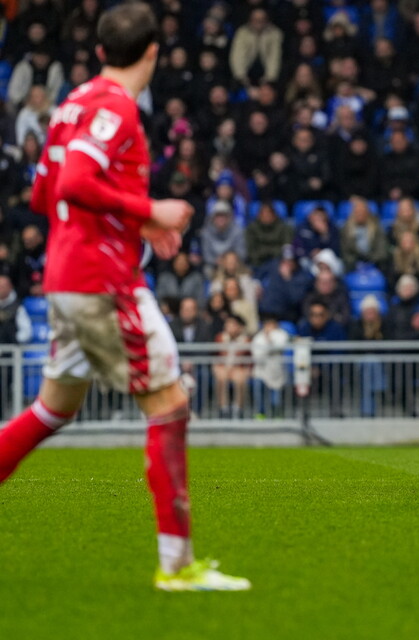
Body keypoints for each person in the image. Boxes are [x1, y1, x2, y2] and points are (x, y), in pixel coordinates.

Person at [0, 3, 249, 592]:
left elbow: (42, 194)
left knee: (53, 408)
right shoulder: (115, 107)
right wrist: (149, 210)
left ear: (100, 49)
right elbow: (74, 182)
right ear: (154, 52)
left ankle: (178, 563)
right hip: (102, 281)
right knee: (169, 400)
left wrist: (134, 226)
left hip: (64, 276)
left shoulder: (71, 104)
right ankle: (177, 567)